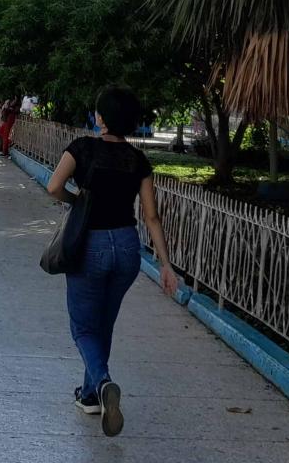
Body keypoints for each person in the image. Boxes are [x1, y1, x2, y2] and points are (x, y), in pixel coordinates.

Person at [45, 86, 177, 438]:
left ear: (100, 118)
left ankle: (102, 383)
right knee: (103, 325)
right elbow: (152, 217)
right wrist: (165, 264)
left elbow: (53, 186)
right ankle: (89, 395)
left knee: (84, 329)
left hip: (90, 246)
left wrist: (76, 201)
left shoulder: (82, 148)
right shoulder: (139, 161)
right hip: (127, 247)